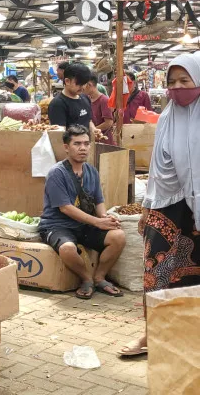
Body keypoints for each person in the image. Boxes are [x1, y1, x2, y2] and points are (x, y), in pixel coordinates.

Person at [119, 53, 200, 357]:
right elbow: (157, 168)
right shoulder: (167, 116)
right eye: (172, 82)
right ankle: (152, 334)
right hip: (168, 205)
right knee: (159, 271)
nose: (178, 87)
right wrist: (146, 207)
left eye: (185, 80)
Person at [38, 125, 125, 299]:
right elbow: (65, 208)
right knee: (68, 248)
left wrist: (105, 218)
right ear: (66, 147)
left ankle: (100, 277)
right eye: (77, 144)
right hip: (57, 225)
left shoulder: (91, 171)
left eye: (86, 143)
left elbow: (98, 201)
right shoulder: (57, 173)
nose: (83, 148)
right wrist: (97, 222)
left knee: (118, 236)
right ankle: (86, 279)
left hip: (84, 225)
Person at [48, 63, 102, 142]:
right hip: (70, 152)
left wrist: (94, 129)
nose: (83, 87)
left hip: (86, 148)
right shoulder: (58, 104)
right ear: (67, 81)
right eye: (79, 84)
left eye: (84, 84)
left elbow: (88, 121)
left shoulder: (85, 98)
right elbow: (59, 135)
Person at [83, 75, 115, 145]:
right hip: (92, 139)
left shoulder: (104, 100)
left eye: (83, 85)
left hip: (103, 140)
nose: (82, 88)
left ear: (89, 85)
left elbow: (109, 122)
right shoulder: (87, 99)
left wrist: (92, 130)